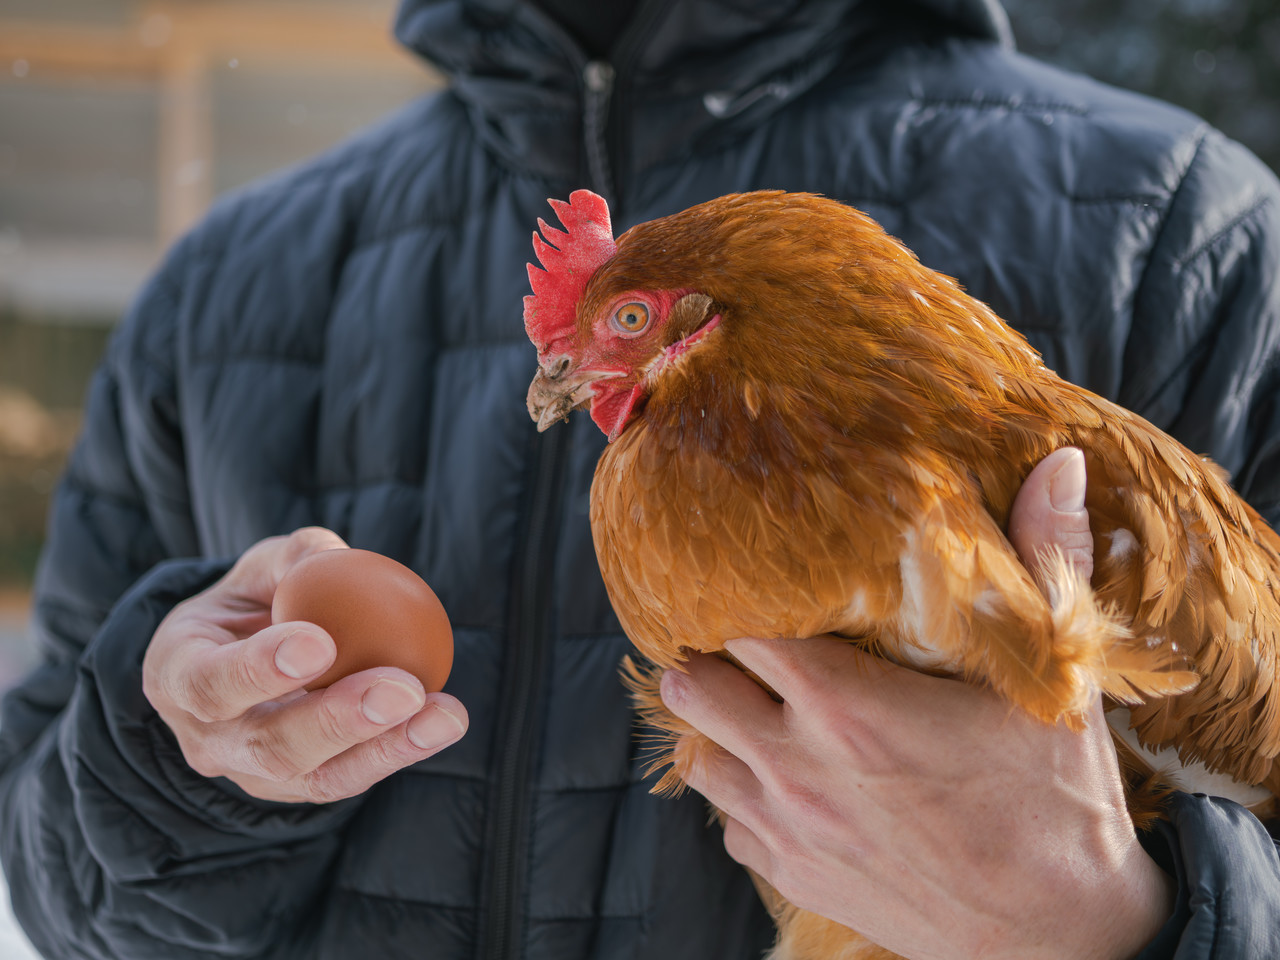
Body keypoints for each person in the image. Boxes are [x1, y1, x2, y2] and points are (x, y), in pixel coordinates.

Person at [1, 0, 1278, 957]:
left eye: (611, 331)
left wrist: (1114, 921)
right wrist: (168, 766)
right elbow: (51, 890)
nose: (557, 381)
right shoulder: (230, 280)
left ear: (701, 320)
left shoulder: (1186, 236)